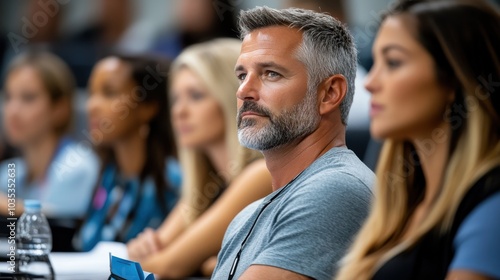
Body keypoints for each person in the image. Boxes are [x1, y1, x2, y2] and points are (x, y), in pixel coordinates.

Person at [336, 0, 500, 279]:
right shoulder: (398, 205)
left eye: (393, 62)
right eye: (375, 62)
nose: (369, 82)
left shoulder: (491, 204)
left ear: (454, 79)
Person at [212, 7, 374, 280]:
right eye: (242, 75)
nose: (243, 91)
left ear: (330, 94)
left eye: (271, 73)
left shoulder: (335, 189)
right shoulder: (247, 215)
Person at [126, 39, 272, 279]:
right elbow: (145, 254)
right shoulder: (204, 183)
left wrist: (202, 263)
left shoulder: (260, 173)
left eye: (195, 96)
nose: (179, 112)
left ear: (232, 98)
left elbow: (166, 266)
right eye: (175, 99)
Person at [73, 54, 181, 252]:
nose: (92, 106)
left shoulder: (173, 183)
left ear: (148, 107)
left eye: (109, 93)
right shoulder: (108, 175)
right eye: (91, 94)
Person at [0, 51, 98, 219]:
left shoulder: (77, 166)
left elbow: (66, 227)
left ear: (60, 108)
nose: (12, 111)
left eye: (28, 98)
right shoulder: (9, 173)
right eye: (8, 97)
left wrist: (9, 207)